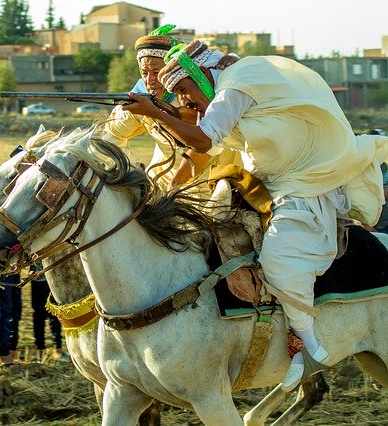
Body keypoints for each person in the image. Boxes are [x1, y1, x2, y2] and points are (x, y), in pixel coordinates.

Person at [123, 39, 388, 391]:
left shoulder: (238, 83)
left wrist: (154, 112)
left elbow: (203, 141)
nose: (185, 101)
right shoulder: (232, 83)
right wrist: (160, 112)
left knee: (279, 261)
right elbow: (202, 130)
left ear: (202, 75)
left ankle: (309, 347)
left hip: (301, 187)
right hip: (271, 184)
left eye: (184, 91)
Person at [103, 25, 239, 191]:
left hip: (211, 183)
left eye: (156, 72)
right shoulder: (140, 96)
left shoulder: (197, 98)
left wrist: (174, 188)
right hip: (160, 183)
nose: (150, 80)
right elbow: (112, 136)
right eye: (144, 73)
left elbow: (204, 147)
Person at [30, 263, 67, 361]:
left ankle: (58, 349)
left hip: (51, 280)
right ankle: (40, 350)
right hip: (37, 279)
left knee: (53, 314)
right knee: (38, 316)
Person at [0, 274, 22, 366]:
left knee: (16, 309)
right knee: (5, 310)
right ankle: (4, 353)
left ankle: (12, 349)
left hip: (15, 270)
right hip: (2, 271)